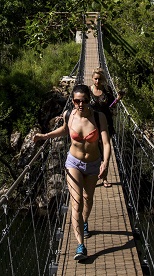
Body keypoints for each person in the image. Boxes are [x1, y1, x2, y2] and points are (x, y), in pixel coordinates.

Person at [34, 84, 111, 261]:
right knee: (76, 203)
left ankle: (84, 223)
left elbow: (106, 143)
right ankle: (81, 246)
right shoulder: (69, 114)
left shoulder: (99, 118)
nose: (80, 104)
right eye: (76, 101)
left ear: (89, 100)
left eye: (84, 101)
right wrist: (45, 136)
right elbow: (64, 130)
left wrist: (105, 163)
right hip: (73, 163)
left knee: (87, 199)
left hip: (93, 164)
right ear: (73, 101)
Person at [89, 68, 121, 188]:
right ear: (92, 79)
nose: (97, 81)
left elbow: (111, 105)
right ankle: (92, 176)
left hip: (105, 123)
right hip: (91, 124)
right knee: (92, 150)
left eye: (100, 79)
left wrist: (117, 99)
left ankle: (104, 178)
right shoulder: (88, 90)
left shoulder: (107, 91)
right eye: (95, 79)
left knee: (104, 150)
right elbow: (81, 105)